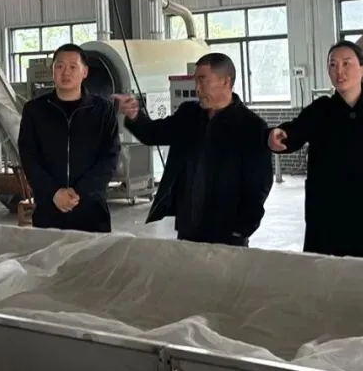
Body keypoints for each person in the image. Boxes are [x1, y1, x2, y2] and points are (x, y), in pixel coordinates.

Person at [269, 40, 363, 262]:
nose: (339, 71)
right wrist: (276, 136)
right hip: (328, 217)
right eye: (333, 65)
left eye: (346, 63)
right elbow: (292, 134)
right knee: (327, 276)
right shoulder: (320, 110)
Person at [112, 53, 273, 247]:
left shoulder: (251, 127)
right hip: (189, 224)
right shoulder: (189, 115)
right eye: (195, 81)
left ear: (225, 81)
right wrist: (135, 115)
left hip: (228, 230)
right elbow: (153, 134)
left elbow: (260, 183)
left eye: (203, 80)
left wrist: (244, 227)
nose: (197, 88)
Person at [17, 43, 121, 233]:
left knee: (93, 253)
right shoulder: (35, 110)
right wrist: (53, 193)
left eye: (73, 66)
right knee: (47, 253)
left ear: (85, 72)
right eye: (60, 66)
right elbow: (28, 156)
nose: (66, 72)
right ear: (52, 71)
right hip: (49, 209)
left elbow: (110, 156)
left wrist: (79, 193)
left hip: (91, 210)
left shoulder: (102, 110)